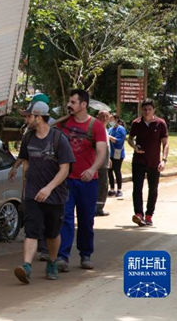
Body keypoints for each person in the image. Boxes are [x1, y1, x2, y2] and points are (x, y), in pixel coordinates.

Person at [9, 101, 74, 284]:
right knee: (31, 231)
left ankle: (52, 262)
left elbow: (65, 169)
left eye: (29, 116)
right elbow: (25, 159)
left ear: (39, 117)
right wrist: (22, 179)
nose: (27, 119)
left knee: (52, 234)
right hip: (32, 194)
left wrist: (48, 188)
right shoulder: (28, 138)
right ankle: (26, 266)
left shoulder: (58, 139)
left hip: (55, 195)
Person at [56, 89, 108, 271]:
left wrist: (92, 168)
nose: (69, 105)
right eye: (69, 102)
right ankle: (62, 256)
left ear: (83, 105)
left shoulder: (96, 126)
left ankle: (86, 255)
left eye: (73, 102)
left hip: (88, 181)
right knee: (66, 218)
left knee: (86, 220)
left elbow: (101, 151)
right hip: (67, 180)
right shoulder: (62, 124)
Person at [127, 99, 169, 227]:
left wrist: (163, 160)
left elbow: (165, 143)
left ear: (153, 110)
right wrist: (134, 147)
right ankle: (139, 214)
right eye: (144, 109)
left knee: (153, 189)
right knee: (137, 188)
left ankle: (149, 215)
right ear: (141, 110)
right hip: (138, 161)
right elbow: (130, 139)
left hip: (154, 163)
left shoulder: (160, 123)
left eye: (149, 109)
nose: (146, 112)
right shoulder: (136, 123)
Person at [95, 110, 111, 216]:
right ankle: (98, 208)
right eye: (102, 116)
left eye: (106, 116)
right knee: (102, 185)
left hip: (104, 161)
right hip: (98, 162)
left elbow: (106, 145)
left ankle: (98, 207)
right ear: (97, 117)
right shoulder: (97, 128)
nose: (104, 118)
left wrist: (108, 158)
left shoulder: (105, 129)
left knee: (103, 185)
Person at [107, 114, 127, 198]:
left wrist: (109, 137)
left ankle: (119, 190)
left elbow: (118, 141)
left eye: (111, 119)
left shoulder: (121, 129)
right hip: (110, 153)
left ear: (116, 119)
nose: (110, 121)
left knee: (117, 170)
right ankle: (112, 189)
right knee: (109, 171)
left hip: (118, 153)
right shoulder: (110, 129)